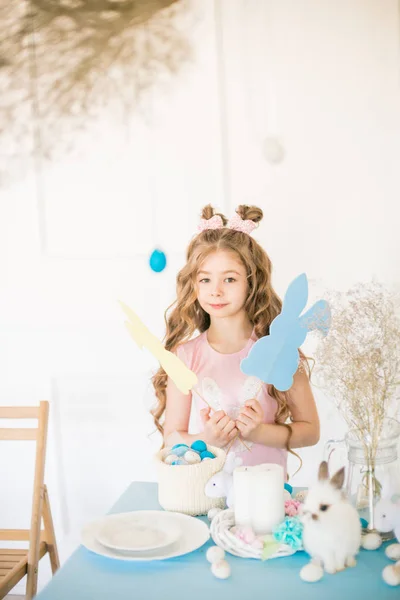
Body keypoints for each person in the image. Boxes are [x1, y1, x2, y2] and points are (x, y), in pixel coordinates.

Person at [152, 204, 320, 477]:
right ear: (193, 284)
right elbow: (172, 437)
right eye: (205, 280)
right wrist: (207, 440)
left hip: (270, 499)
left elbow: (310, 430)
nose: (215, 291)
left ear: (252, 283)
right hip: (208, 497)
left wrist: (260, 432)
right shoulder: (184, 357)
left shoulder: (281, 349)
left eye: (229, 279)